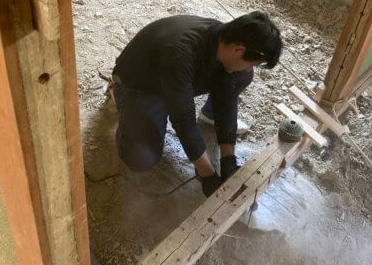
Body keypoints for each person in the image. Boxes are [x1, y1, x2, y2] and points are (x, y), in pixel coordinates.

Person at [112, 11, 282, 197]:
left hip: (175, 77)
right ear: (238, 51)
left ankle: (208, 114)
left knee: (241, 76)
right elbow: (183, 119)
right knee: (141, 158)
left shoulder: (223, 42)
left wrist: (228, 159)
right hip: (140, 85)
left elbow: (227, 98)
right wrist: (207, 175)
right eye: (253, 64)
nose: (251, 68)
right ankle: (127, 113)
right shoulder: (180, 52)